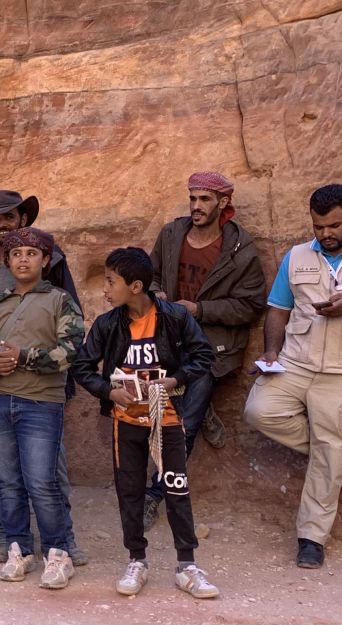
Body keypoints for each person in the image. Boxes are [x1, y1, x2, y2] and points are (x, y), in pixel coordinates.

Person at [72, 248, 219, 598]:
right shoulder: (108, 324)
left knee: (176, 488)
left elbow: (203, 355)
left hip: (167, 418)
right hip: (126, 422)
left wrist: (176, 379)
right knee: (131, 491)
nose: (105, 290)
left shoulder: (174, 318)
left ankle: (187, 565)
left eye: (111, 282)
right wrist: (109, 392)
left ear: (136, 286)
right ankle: (136, 559)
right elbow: (81, 367)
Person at [0, 190, 85, 564]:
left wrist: (60, 377)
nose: (1, 225)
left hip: (43, 390)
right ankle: (9, 541)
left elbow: (71, 330)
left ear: (22, 219)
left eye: (8, 217)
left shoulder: (53, 264)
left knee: (50, 471)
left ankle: (63, 542)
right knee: (0, 470)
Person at [144, 171, 267, 529]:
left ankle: (156, 494)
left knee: (184, 427)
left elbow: (251, 304)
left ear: (223, 203)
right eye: (193, 198)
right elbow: (148, 274)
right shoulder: (171, 234)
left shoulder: (240, 249)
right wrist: (157, 295)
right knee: (153, 417)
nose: (196, 206)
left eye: (205, 199)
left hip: (211, 349)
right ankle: (202, 403)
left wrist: (200, 310)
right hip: (167, 341)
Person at [244, 183, 342, 570]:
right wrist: (271, 352)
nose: (326, 234)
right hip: (296, 363)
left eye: (335, 225)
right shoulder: (297, 256)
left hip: (338, 373)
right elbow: (277, 310)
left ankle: (311, 538)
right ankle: (331, 454)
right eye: (319, 227)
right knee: (259, 410)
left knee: (331, 448)